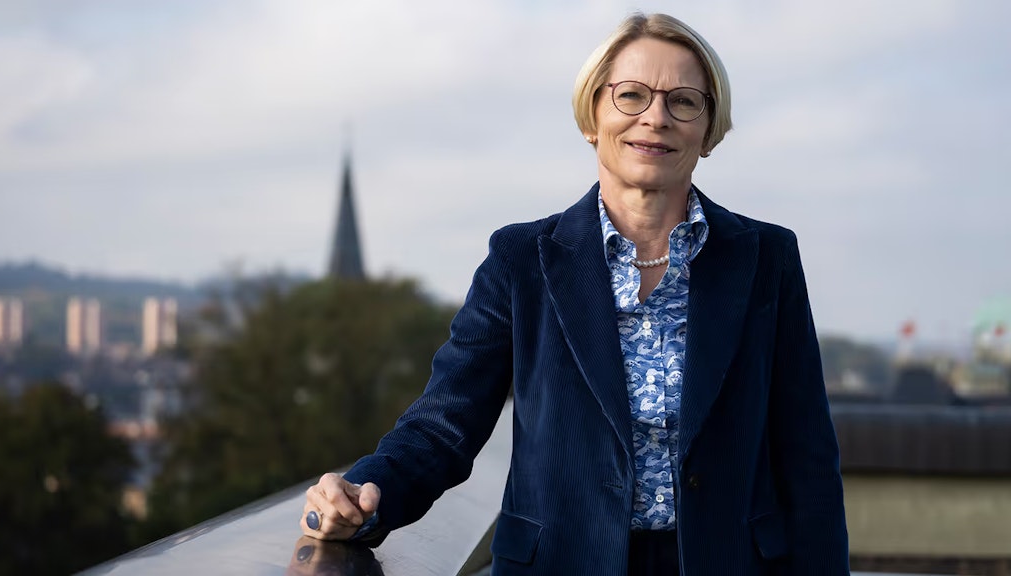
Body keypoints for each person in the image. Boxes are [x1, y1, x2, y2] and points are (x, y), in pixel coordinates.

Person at [301, 12, 849, 575]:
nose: (655, 118)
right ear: (593, 116)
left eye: (684, 101)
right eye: (631, 95)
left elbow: (806, 458)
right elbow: (443, 426)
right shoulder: (522, 259)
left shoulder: (766, 259)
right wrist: (363, 495)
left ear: (708, 129)